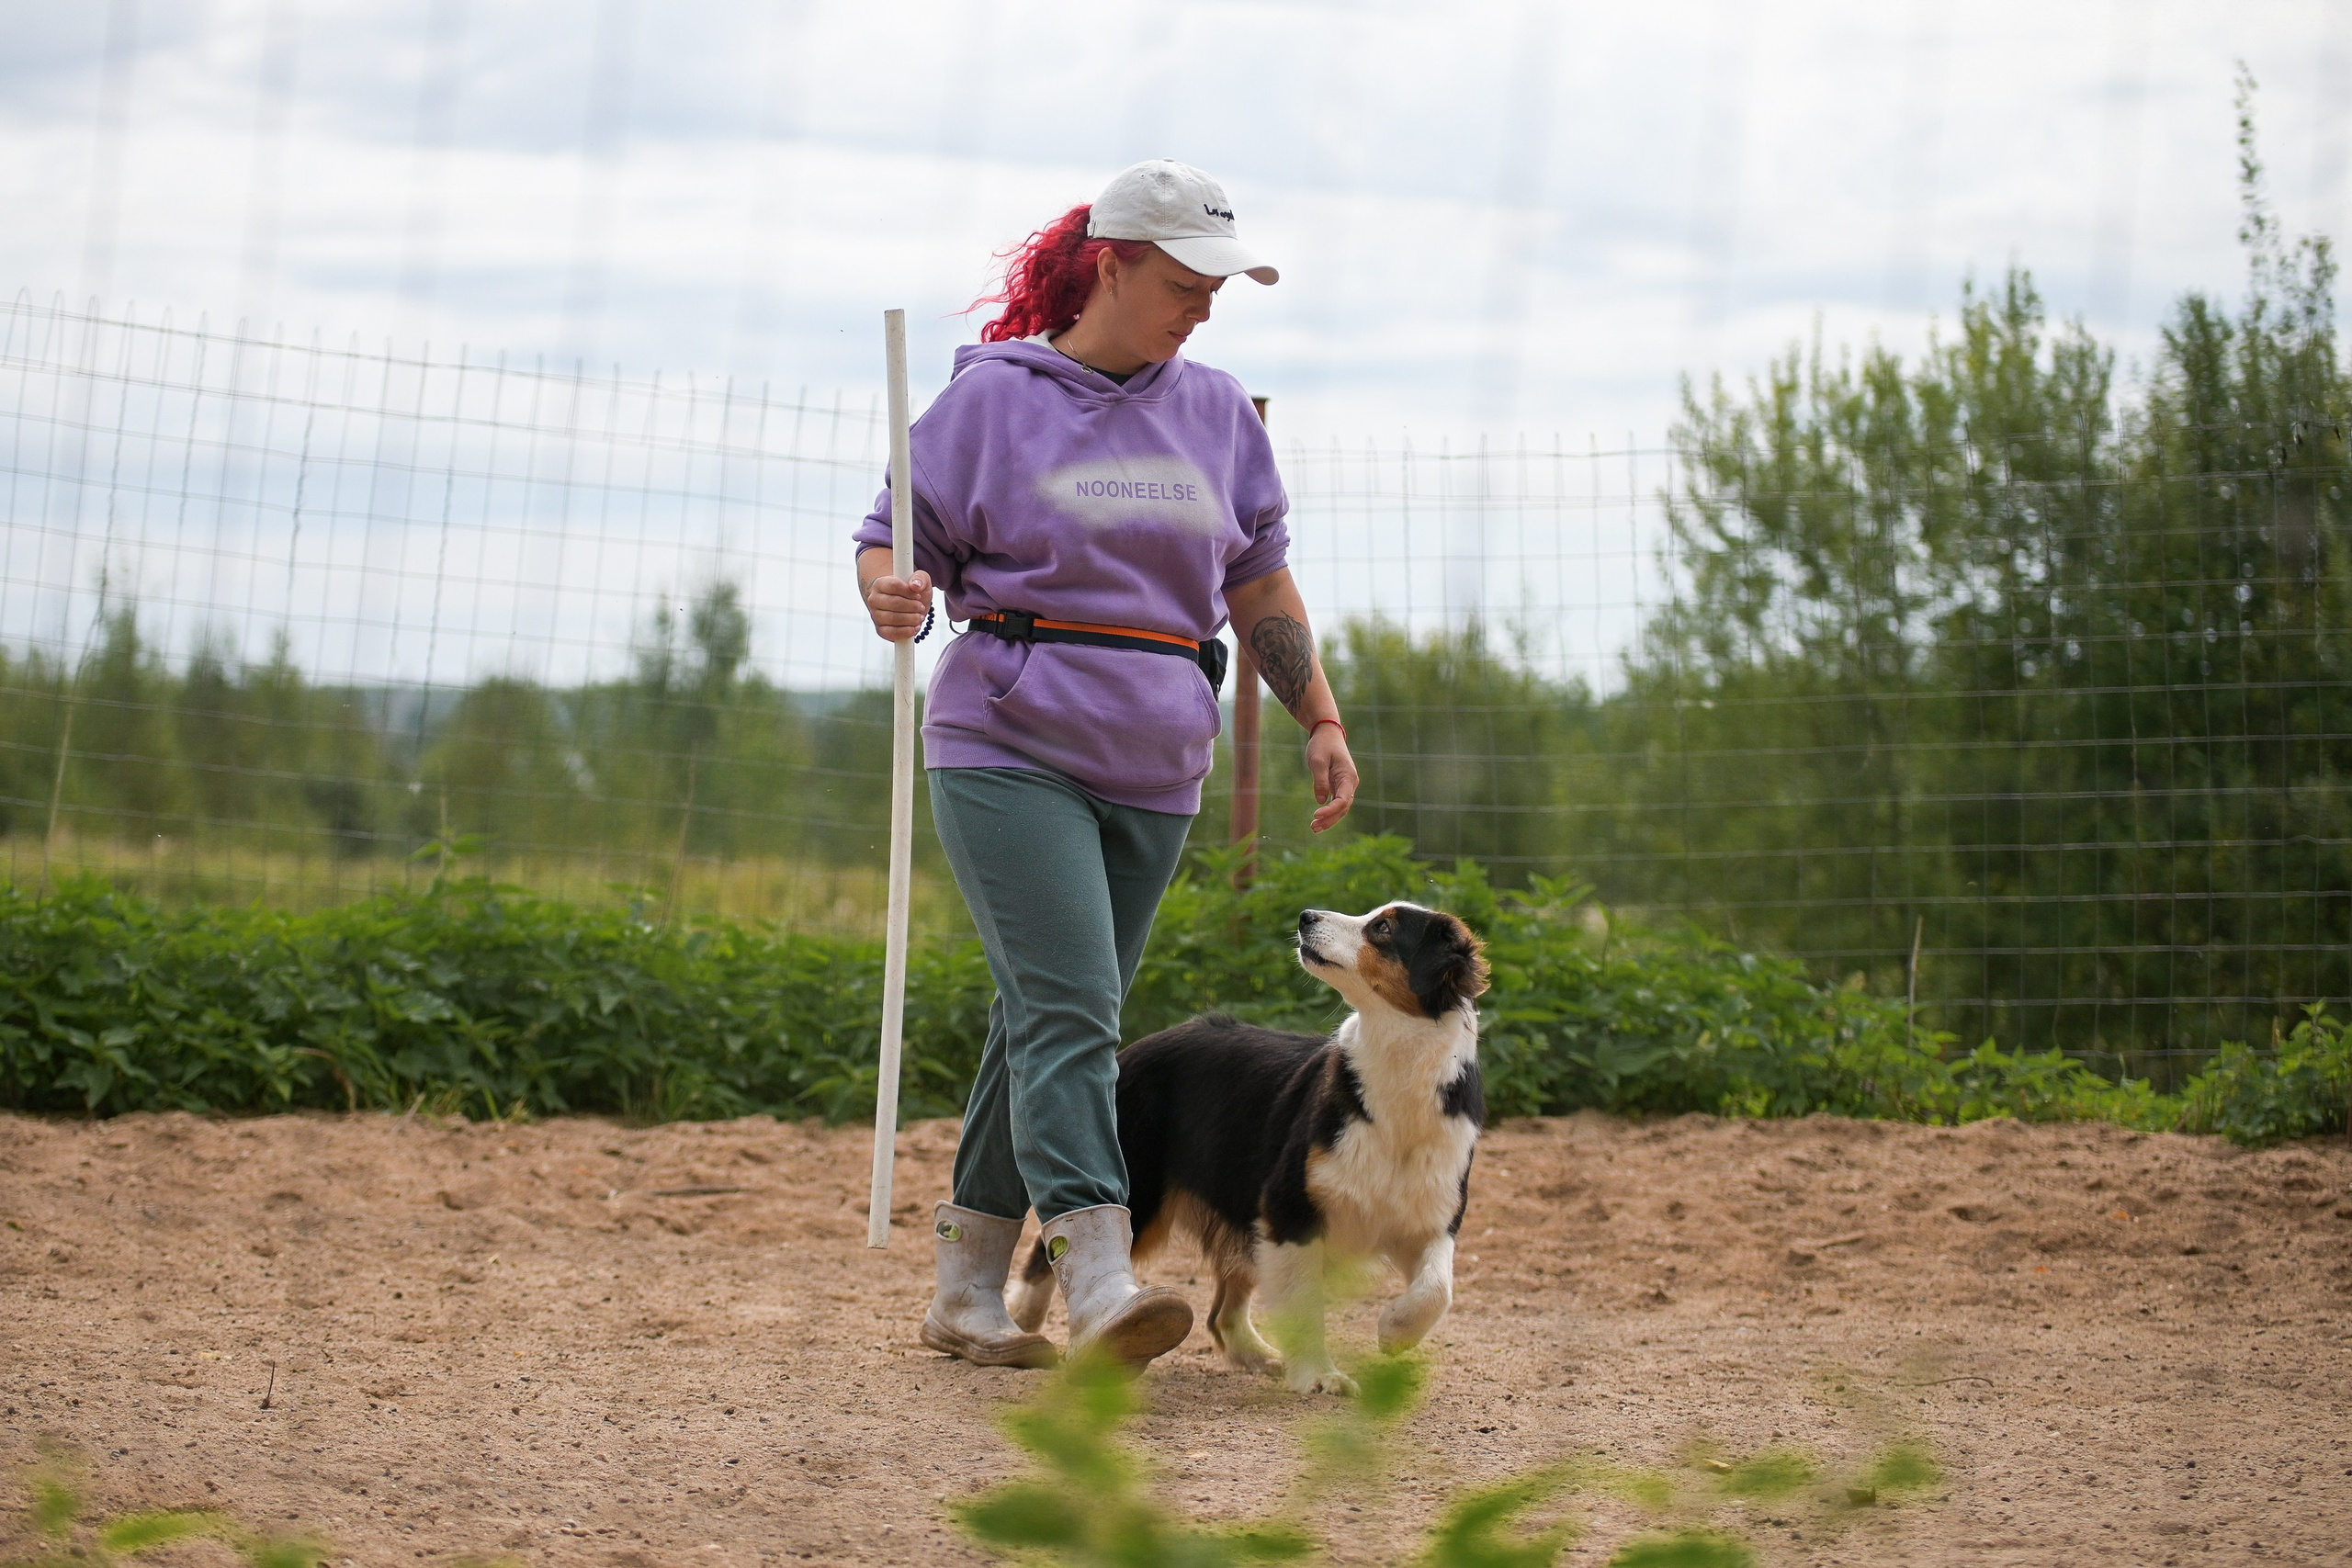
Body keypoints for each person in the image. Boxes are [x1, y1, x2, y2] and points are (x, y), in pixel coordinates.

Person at [854, 158, 1358, 1370]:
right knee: (1077, 1007)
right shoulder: (988, 405)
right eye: (1183, 284)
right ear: (1111, 265)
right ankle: (1093, 1269)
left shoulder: (1221, 412)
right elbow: (889, 545)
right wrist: (894, 597)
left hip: (1158, 757)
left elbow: (1259, 582)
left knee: (1048, 1015)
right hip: (1006, 741)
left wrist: (1320, 718)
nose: (1202, 309)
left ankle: (967, 1290)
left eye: (1219, 290)